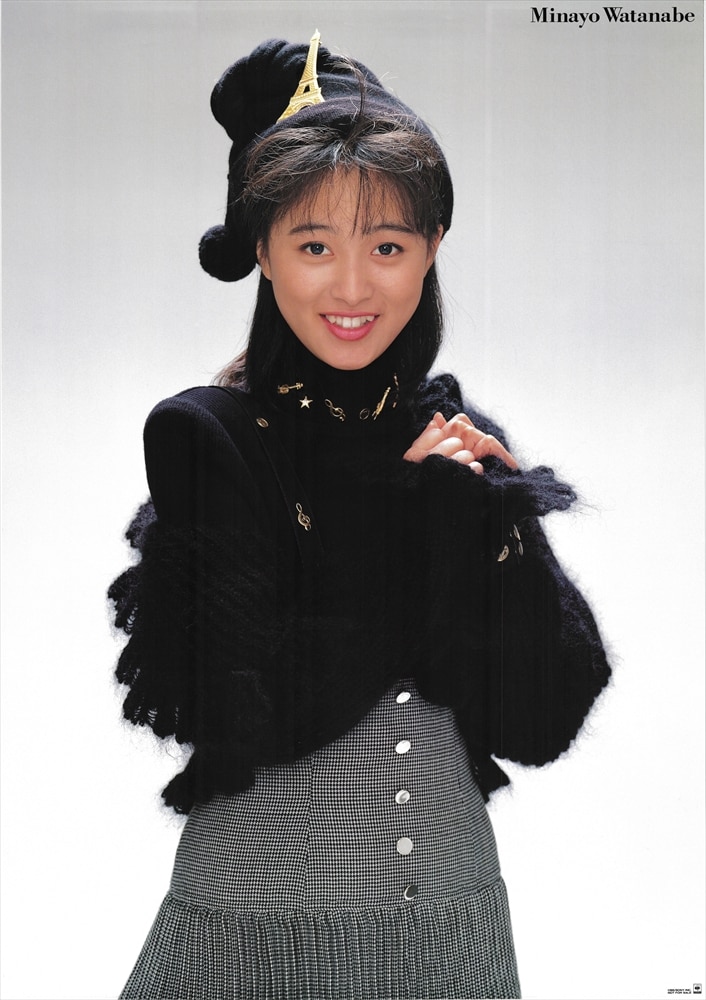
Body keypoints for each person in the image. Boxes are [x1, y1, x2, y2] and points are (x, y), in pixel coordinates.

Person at [109, 33, 611, 1000]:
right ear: (263, 251)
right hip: (254, 933)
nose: (351, 287)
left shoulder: (456, 439)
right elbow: (255, 713)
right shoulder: (206, 437)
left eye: (387, 246)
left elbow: (541, 722)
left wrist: (496, 540)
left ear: (431, 250)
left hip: (456, 934)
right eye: (313, 246)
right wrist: (412, 521)